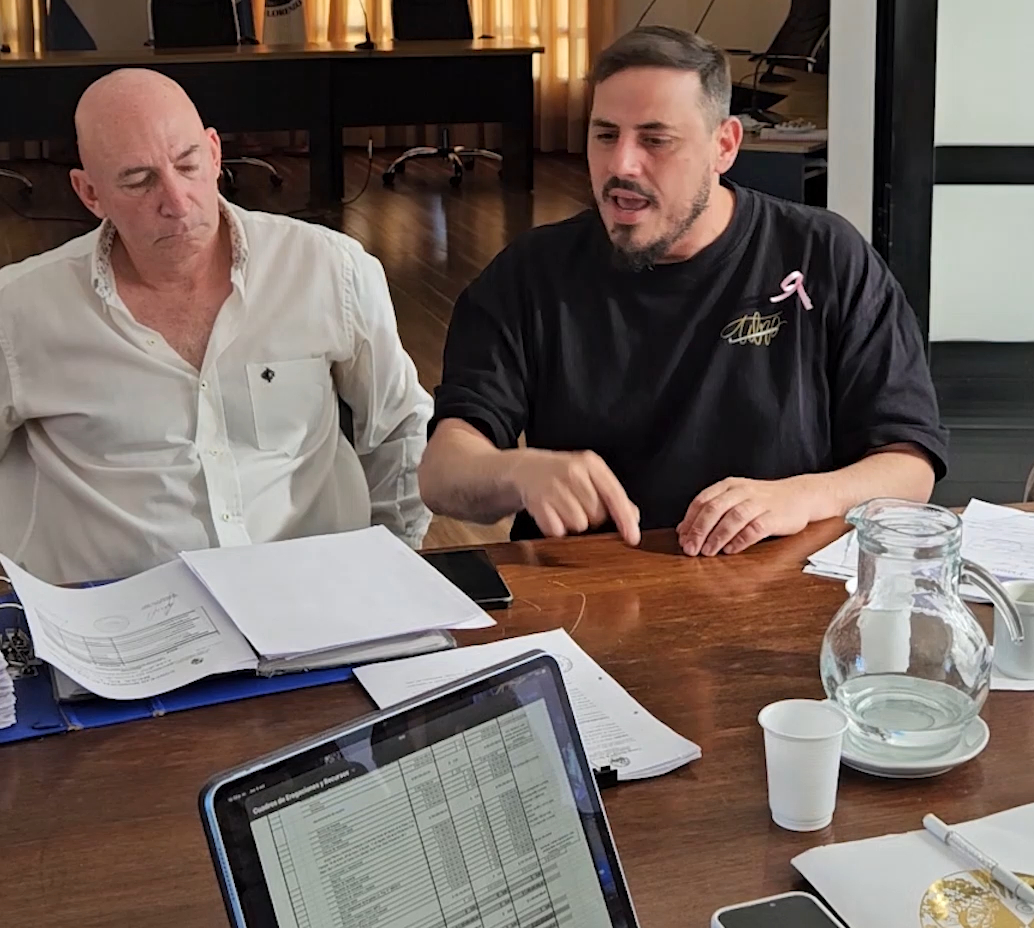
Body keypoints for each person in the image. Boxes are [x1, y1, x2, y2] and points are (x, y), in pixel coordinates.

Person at [419, 25, 947, 556]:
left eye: (655, 140)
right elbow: (442, 473)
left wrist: (804, 497)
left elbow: (909, 464)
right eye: (605, 135)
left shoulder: (825, 255)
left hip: (782, 578)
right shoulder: (530, 274)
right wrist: (516, 471)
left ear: (724, 146)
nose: (621, 165)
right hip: (589, 586)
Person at [0, 69, 431, 584]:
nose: (177, 202)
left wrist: (392, 563)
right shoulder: (21, 309)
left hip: (313, 587)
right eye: (138, 181)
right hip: (114, 607)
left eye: (187, 165)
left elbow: (398, 425)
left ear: (214, 153)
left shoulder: (328, 269)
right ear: (90, 193)